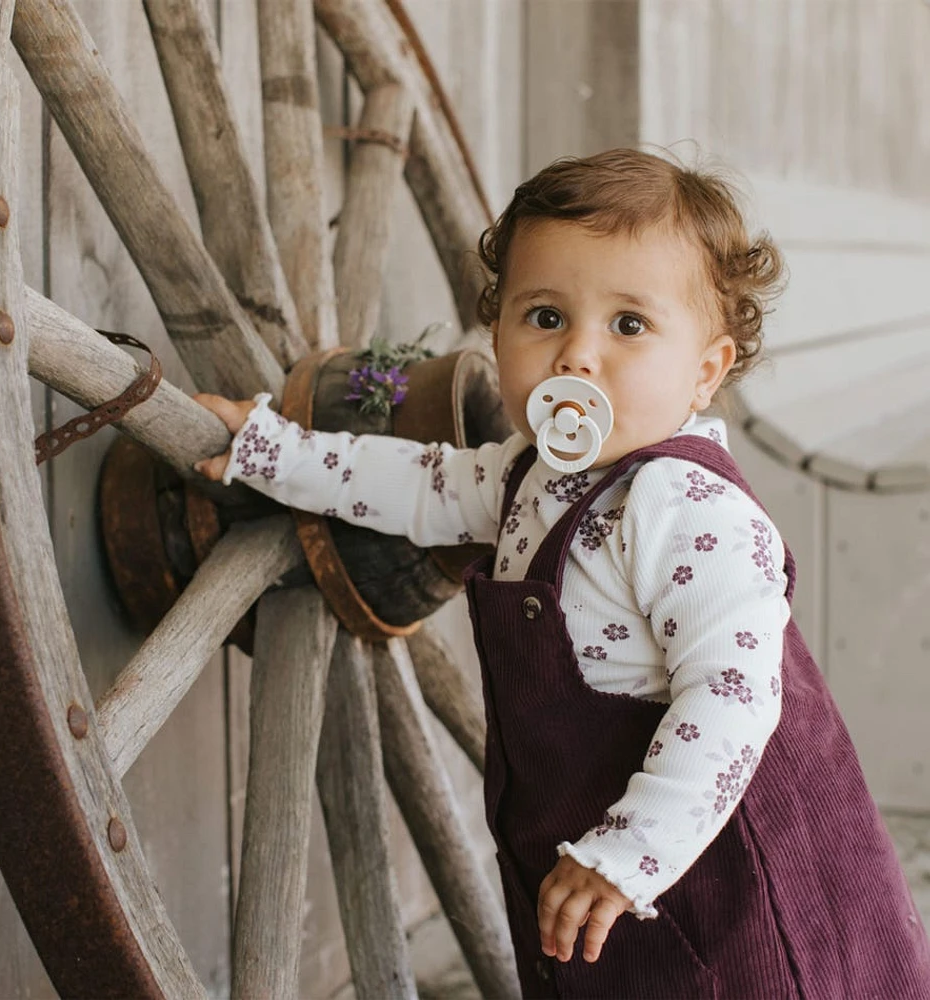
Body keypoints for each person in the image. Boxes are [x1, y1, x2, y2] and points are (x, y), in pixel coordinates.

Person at [195, 149, 930, 998]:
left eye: (628, 325)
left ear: (705, 369)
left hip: (722, 892)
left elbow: (734, 698)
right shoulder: (522, 477)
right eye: (544, 316)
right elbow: (414, 484)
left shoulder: (683, 508)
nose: (577, 354)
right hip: (592, 889)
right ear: (497, 331)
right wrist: (269, 449)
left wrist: (630, 855)